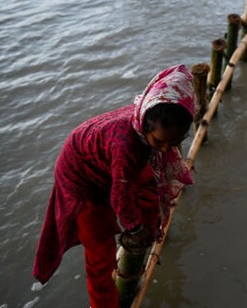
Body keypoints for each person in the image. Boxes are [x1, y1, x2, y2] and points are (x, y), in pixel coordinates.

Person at [32, 65, 195, 308]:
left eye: (173, 143)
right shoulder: (126, 146)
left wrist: (146, 225)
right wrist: (135, 228)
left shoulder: (153, 123)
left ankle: (152, 229)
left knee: (149, 193)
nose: (164, 150)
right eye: (159, 142)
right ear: (146, 126)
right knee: (99, 252)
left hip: (112, 166)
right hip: (81, 178)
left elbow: (142, 175)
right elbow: (120, 197)